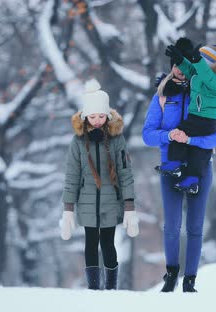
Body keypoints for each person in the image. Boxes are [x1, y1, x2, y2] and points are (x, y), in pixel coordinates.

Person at [143, 37, 216, 293]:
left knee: (195, 226)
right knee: (171, 225)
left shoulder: (205, 88)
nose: (179, 69)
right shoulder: (161, 95)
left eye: (184, 62)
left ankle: (190, 281)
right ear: (171, 65)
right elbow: (147, 134)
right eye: (175, 63)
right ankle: (171, 276)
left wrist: (192, 138)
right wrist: (169, 136)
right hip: (171, 164)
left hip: (200, 167)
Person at [60, 79, 139, 290]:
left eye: (101, 116)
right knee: (90, 245)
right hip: (86, 203)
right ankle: (93, 290)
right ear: (86, 116)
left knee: (108, 244)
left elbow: (125, 172)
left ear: (108, 115)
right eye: (93, 116)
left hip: (110, 202)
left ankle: (111, 288)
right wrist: (68, 209)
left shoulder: (116, 140)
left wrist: (129, 207)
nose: (97, 121)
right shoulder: (77, 143)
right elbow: (72, 175)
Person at [155, 43, 216, 195]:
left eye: (200, 60)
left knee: (179, 133)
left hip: (204, 118)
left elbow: (208, 77)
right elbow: (190, 70)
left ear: (206, 62)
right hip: (202, 118)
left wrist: (198, 61)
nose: (196, 62)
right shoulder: (200, 71)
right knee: (200, 150)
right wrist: (180, 59)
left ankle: (174, 164)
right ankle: (192, 180)